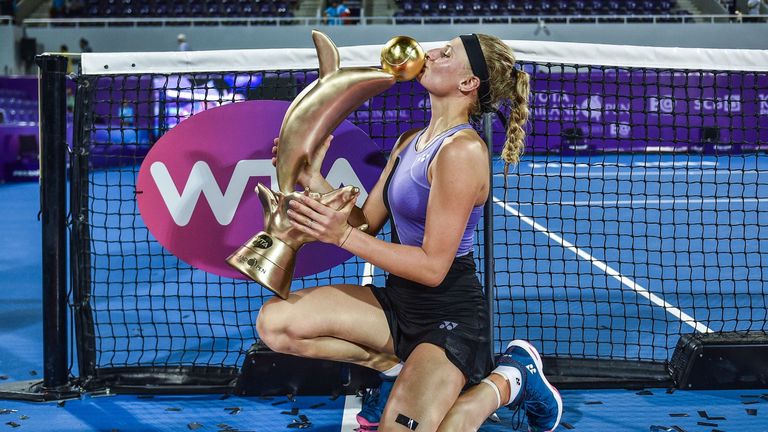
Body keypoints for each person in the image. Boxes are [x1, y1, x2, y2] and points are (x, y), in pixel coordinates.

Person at [258, 33, 563, 431]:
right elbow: (366, 223)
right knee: (276, 322)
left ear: (468, 83)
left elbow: (433, 267)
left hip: (449, 319)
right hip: (399, 306)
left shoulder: (462, 152)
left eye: (446, 52)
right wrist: (311, 175)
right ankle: (394, 370)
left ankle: (509, 380)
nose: (429, 52)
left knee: (438, 426)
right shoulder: (408, 143)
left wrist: (343, 238)